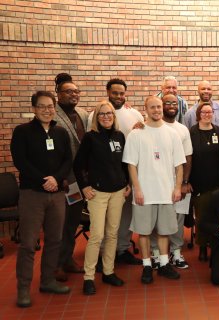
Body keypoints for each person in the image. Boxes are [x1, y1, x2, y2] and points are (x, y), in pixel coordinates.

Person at [11, 91, 72, 307]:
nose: (47, 110)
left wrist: (57, 178)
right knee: (28, 243)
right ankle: (23, 290)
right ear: (34, 109)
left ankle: (48, 281)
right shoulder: (22, 132)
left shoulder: (61, 132)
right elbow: (21, 161)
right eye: (42, 106)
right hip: (32, 194)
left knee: (55, 240)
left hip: (56, 195)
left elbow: (67, 160)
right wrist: (43, 180)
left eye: (50, 106)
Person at [122, 96, 185, 284]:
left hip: (166, 192)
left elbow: (179, 165)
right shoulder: (136, 134)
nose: (157, 110)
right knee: (144, 232)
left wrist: (177, 188)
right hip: (145, 193)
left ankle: (165, 264)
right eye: (153, 107)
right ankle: (147, 265)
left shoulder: (172, 133)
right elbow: (131, 165)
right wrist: (137, 189)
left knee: (165, 231)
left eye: (159, 107)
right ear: (146, 109)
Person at [74, 101, 131, 295]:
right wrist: (84, 187)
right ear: (96, 118)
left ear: (114, 117)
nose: (106, 117)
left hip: (118, 192)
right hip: (97, 193)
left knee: (112, 234)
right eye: (102, 114)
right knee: (97, 235)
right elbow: (78, 165)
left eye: (109, 114)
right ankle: (89, 277)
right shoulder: (90, 138)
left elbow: (125, 164)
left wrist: (128, 183)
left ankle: (108, 271)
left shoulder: (120, 136)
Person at [87, 78, 144, 267]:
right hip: (103, 179)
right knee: (103, 223)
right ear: (108, 92)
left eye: (122, 93)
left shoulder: (134, 114)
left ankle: (122, 248)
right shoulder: (95, 115)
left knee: (126, 215)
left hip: (126, 175)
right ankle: (104, 254)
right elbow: (91, 146)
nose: (119, 96)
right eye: (115, 93)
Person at [53, 73, 89, 281]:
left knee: (71, 221)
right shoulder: (52, 114)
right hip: (64, 180)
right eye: (68, 91)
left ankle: (67, 259)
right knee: (60, 223)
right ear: (58, 95)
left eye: (76, 91)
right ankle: (55, 264)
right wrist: (60, 177)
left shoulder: (83, 114)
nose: (73, 95)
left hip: (79, 181)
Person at [153, 93, 193, 270]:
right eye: (167, 102)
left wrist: (184, 182)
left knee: (177, 218)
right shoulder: (148, 128)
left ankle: (176, 252)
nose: (171, 105)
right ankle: (156, 253)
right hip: (157, 183)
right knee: (156, 218)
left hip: (177, 182)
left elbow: (188, 157)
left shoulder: (182, 129)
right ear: (161, 105)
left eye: (174, 103)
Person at [189, 101, 219, 262]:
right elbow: (188, 159)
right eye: (204, 112)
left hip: (217, 183)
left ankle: (215, 245)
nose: (207, 115)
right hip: (199, 183)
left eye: (210, 112)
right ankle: (202, 247)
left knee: (217, 217)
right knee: (202, 217)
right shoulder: (192, 133)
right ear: (198, 115)